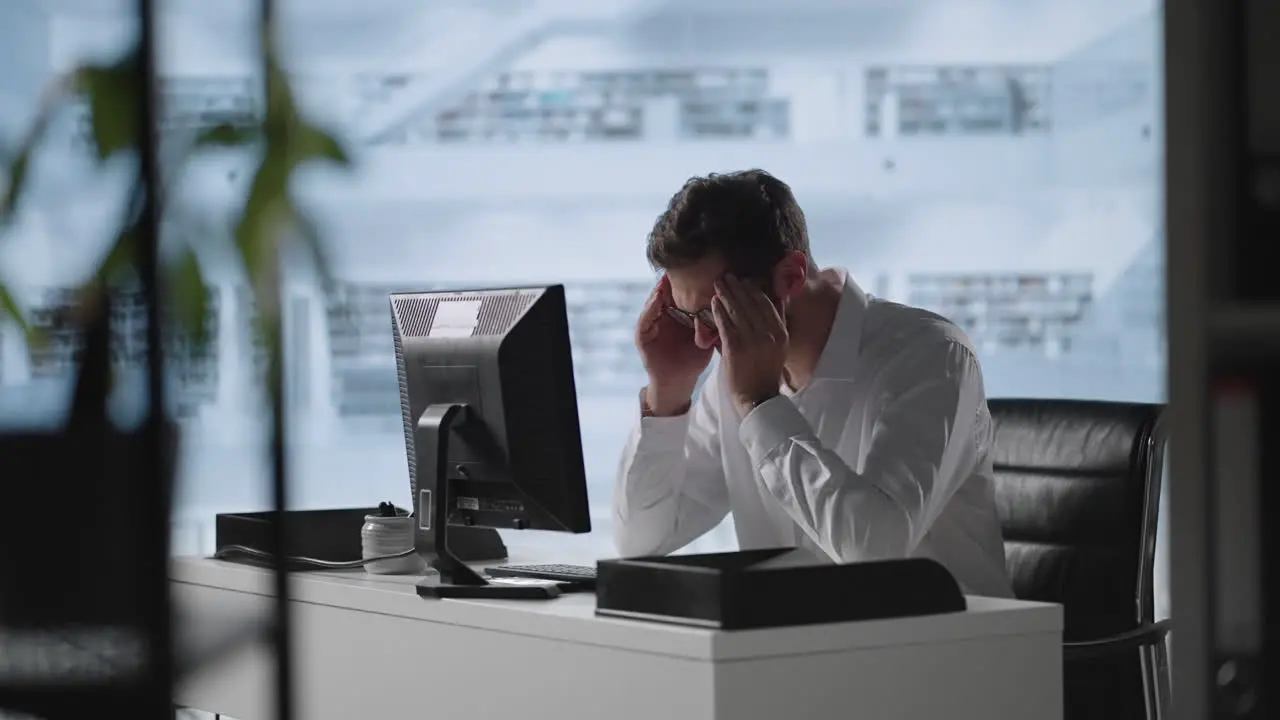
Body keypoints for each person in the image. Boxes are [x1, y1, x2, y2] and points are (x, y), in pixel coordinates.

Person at [612, 169, 1013, 598]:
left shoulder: (930, 356)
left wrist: (761, 405)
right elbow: (641, 541)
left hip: (940, 650)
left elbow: (875, 550)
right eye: (687, 317)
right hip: (804, 649)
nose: (702, 339)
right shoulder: (731, 374)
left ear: (791, 276)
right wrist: (668, 392)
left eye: (716, 313)